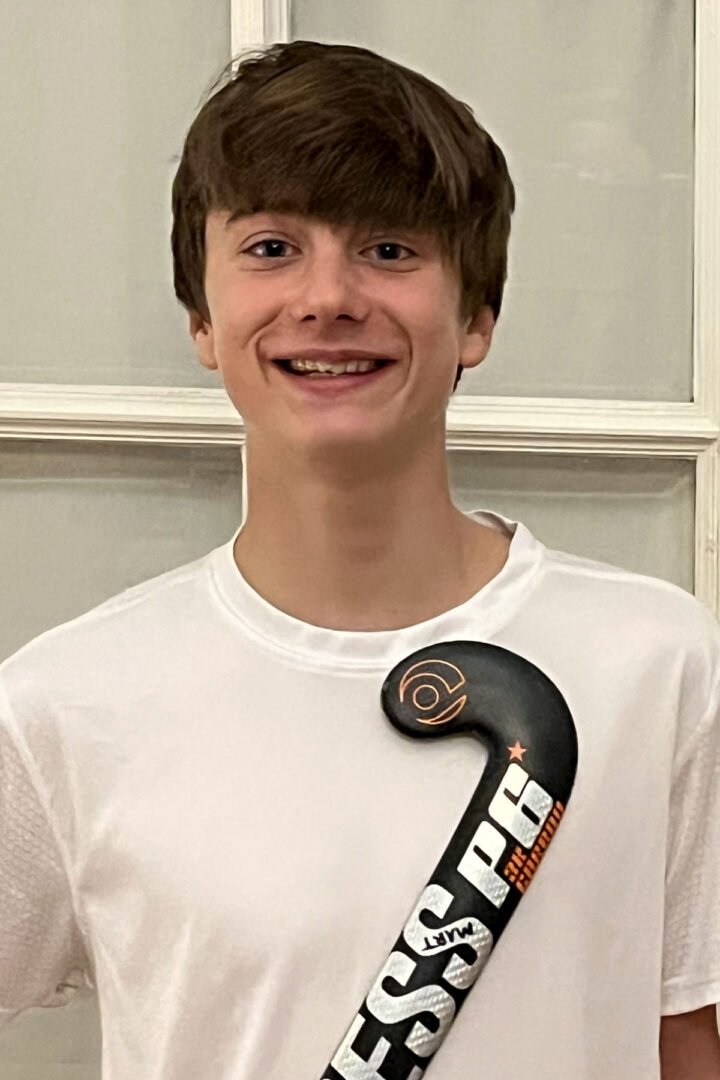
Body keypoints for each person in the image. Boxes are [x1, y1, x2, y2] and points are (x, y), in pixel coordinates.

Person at [1, 39, 719, 1080]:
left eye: (388, 249)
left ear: (476, 317)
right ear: (201, 319)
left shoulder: (657, 665)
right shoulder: (66, 707)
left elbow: (687, 1040)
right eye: (271, 247)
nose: (328, 297)